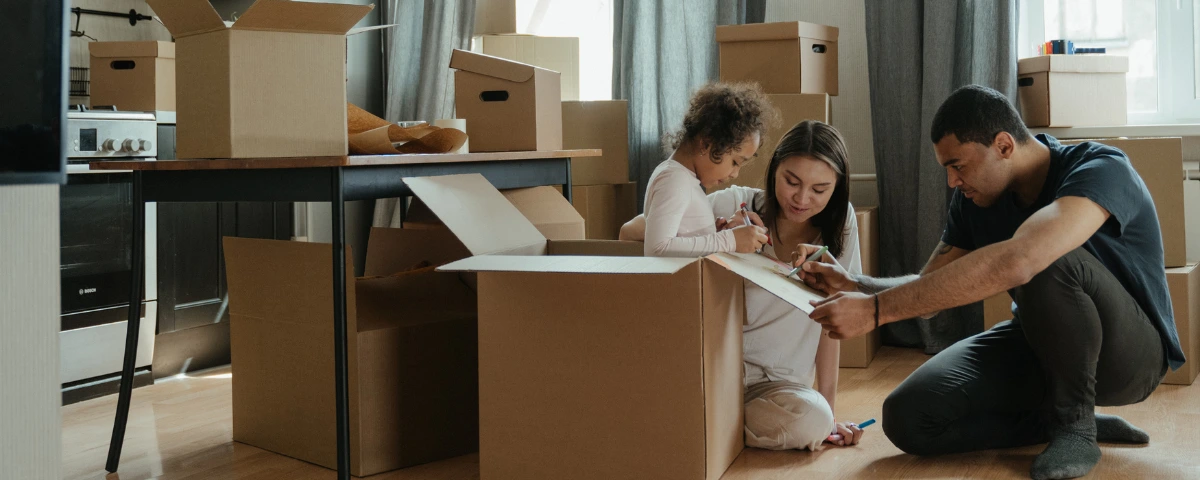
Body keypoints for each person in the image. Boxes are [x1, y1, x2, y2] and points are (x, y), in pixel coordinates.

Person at [793, 84, 1183, 479]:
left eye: (958, 165)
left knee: (1044, 255)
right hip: (1039, 344)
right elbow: (931, 290)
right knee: (908, 417)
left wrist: (875, 313)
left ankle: (1075, 428)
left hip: (1131, 358)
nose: (951, 181)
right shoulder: (973, 200)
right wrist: (856, 285)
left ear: (1004, 145)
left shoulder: (1100, 168)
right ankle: (1052, 421)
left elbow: (1024, 258)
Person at [622, 120, 868, 450]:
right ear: (774, 170)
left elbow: (832, 322)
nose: (801, 198)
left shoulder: (842, 227)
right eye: (791, 181)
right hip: (714, 371)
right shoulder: (734, 203)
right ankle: (707, 423)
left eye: (819, 190)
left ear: (836, 188)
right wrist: (720, 237)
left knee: (814, 421)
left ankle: (704, 425)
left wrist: (830, 413)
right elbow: (631, 231)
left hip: (778, 387)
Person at [641, 82, 770, 257]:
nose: (735, 173)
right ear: (707, 143)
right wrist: (729, 240)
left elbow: (682, 241)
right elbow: (657, 248)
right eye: (735, 162)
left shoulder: (684, 179)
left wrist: (712, 235)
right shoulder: (674, 179)